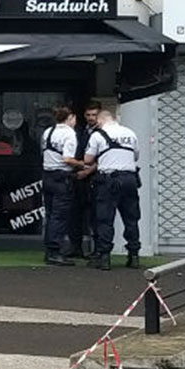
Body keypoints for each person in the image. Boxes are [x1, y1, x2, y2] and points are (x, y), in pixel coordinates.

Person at [83, 110, 141, 271]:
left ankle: (104, 257)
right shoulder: (130, 133)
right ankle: (134, 255)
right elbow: (136, 156)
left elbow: (88, 159)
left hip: (108, 181)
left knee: (105, 219)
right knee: (131, 218)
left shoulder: (97, 135)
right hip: (130, 179)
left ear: (101, 121)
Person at [40, 105, 84, 266]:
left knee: (51, 214)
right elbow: (67, 159)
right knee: (59, 216)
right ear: (70, 118)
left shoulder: (48, 132)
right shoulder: (69, 134)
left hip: (47, 176)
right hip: (62, 177)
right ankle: (55, 251)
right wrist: (82, 164)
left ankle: (49, 250)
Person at [69, 100, 102, 258]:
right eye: (88, 115)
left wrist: (88, 172)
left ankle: (97, 249)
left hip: (95, 178)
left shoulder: (104, 132)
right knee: (76, 213)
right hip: (79, 178)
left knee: (96, 215)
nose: (91, 118)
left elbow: (105, 157)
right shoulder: (81, 131)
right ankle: (76, 247)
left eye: (94, 115)